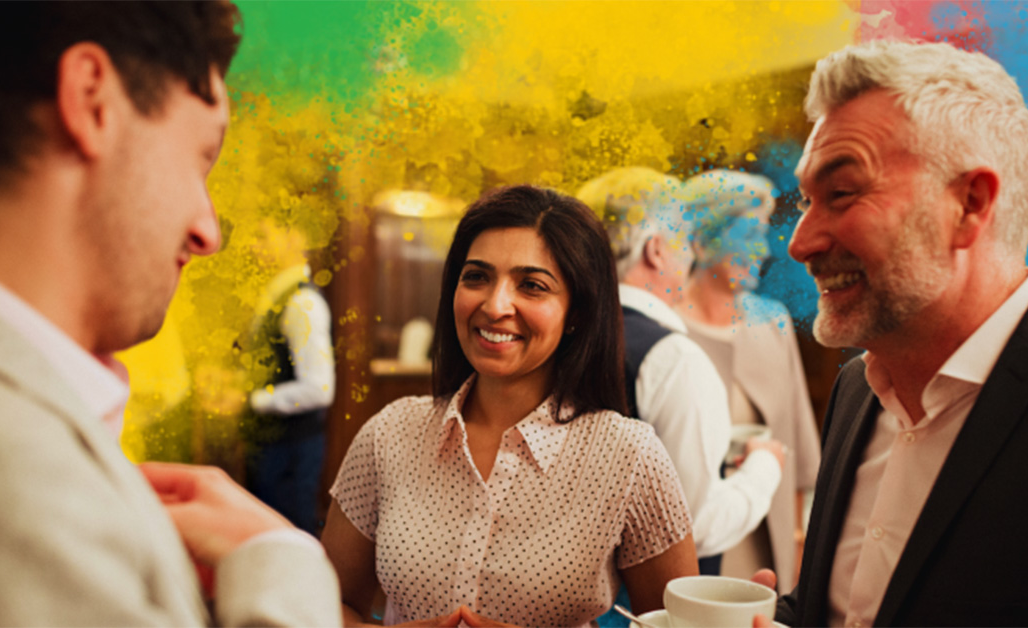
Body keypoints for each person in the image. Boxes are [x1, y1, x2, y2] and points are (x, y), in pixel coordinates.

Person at [0, 3, 340, 626]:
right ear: (92, 99)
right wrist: (282, 562)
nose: (208, 231)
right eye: (201, 158)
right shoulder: (5, 469)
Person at [773, 39, 1028, 626]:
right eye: (805, 201)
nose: (801, 242)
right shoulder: (856, 390)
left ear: (970, 203)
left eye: (841, 194)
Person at [321, 185, 698, 627]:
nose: (495, 305)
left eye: (532, 286)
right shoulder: (392, 433)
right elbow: (325, 605)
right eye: (476, 277)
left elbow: (680, 625)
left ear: (576, 310)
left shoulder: (629, 455)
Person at [577, 167, 786, 577]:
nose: (691, 255)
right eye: (686, 241)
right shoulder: (672, 359)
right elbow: (686, 528)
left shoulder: (559, 340)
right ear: (656, 251)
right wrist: (765, 468)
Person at [677, 169, 821, 592]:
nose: (762, 250)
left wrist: (796, 554)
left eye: (763, 234)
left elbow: (795, 450)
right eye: (748, 235)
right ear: (701, 241)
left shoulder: (772, 322)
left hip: (769, 548)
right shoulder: (665, 333)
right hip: (699, 549)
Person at [244, 219, 336, 535]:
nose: (254, 247)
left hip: (290, 452)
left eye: (262, 235)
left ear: (294, 237)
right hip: (272, 447)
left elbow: (319, 388)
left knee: (290, 537)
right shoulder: (277, 295)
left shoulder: (303, 302)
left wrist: (250, 400)